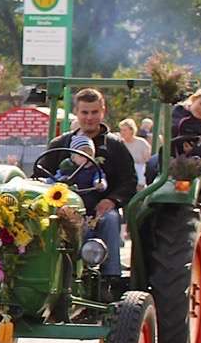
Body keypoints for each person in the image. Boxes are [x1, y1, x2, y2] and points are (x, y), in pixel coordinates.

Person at [46, 89, 137, 284]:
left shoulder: (115, 146)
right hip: (64, 208)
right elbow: (40, 176)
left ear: (102, 112)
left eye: (94, 112)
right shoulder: (61, 144)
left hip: (99, 210)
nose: (89, 118)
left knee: (111, 219)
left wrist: (111, 200)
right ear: (76, 113)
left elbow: (129, 181)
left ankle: (109, 278)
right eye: (84, 112)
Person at [118, 118, 151, 186]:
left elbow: (147, 160)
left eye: (124, 130)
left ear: (131, 130)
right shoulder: (119, 143)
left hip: (140, 170)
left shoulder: (142, 143)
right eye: (121, 130)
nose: (122, 132)